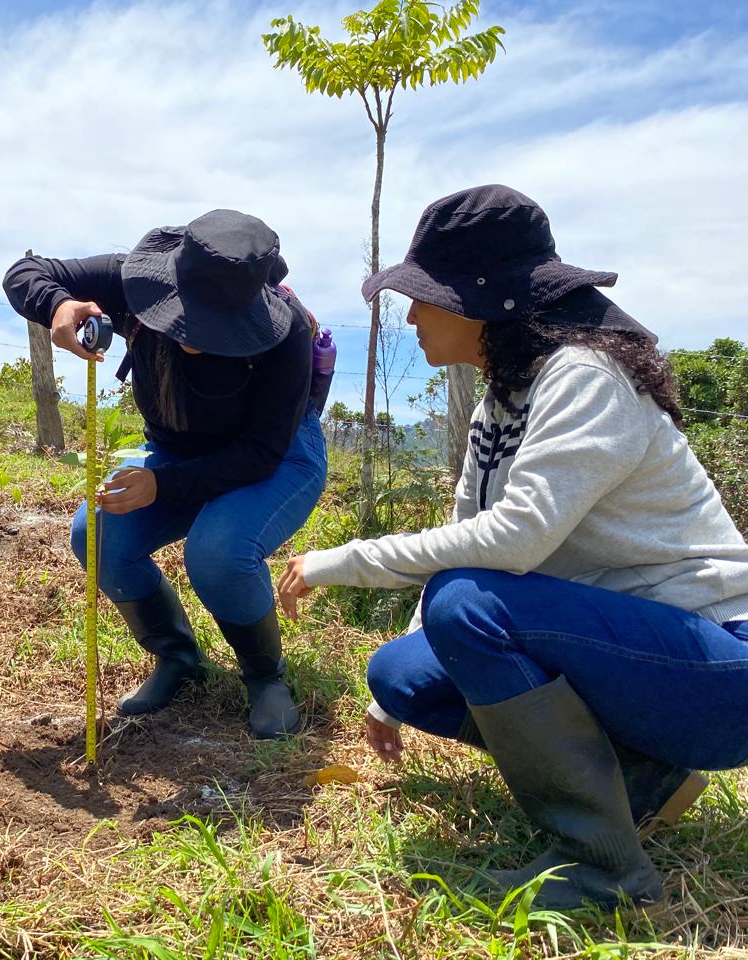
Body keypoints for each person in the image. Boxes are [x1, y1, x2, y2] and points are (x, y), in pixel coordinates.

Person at [277, 184, 748, 909]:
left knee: (466, 603)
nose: (411, 315)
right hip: (638, 653)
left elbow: (514, 541)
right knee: (403, 673)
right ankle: (642, 779)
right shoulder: (502, 402)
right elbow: (464, 541)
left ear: (480, 301)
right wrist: (391, 699)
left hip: (720, 668)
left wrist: (340, 561)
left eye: (424, 297)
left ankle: (604, 871)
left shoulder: (583, 376)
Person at [3, 209, 330, 739]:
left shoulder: (285, 331)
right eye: (187, 316)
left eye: (216, 326)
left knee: (218, 549)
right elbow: (25, 272)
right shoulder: (130, 280)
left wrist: (162, 485)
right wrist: (56, 304)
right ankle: (177, 659)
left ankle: (265, 677)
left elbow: (261, 452)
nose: (195, 335)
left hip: (276, 458)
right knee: (97, 532)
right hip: (175, 450)